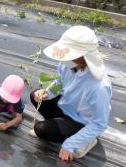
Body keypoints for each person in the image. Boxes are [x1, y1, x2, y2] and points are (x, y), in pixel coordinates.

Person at [29, 25, 112, 161]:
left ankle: (86, 140)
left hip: (83, 121)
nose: (64, 58)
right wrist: (46, 93)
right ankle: (60, 126)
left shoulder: (99, 86)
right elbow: (60, 82)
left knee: (41, 129)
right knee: (35, 95)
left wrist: (70, 144)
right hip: (67, 106)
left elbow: (99, 123)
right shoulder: (67, 64)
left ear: (83, 57)